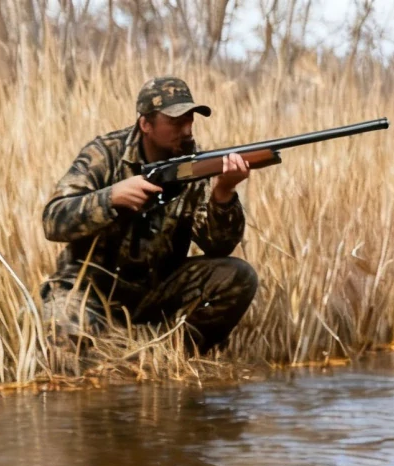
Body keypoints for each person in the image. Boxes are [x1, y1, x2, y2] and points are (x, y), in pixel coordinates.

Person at [41, 77, 258, 355]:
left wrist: (224, 192)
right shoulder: (105, 153)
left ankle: (171, 355)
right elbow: (53, 219)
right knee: (62, 332)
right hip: (91, 290)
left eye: (190, 120)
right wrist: (110, 198)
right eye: (176, 122)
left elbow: (219, 246)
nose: (188, 129)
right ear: (146, 124)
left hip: (156, 289)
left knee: (239, 276)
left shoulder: (195, 165)